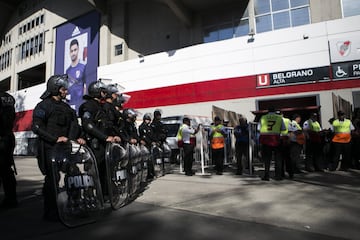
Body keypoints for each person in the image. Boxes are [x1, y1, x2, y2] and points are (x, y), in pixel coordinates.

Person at [32, 74, 86, 221]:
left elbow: (75, 125)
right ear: (55, 89)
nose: (66, 91)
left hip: (66, 149)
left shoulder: (66, 108)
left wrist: (79, 137)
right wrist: (55, 139)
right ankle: (51, 211)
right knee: (52, 179)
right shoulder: (43, 106)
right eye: (63, 89)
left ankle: (75, 205)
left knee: (74, 174)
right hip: (49, 148)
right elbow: (36, 127)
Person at [78, 80, 121, 199]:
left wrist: (113, 136)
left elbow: (107, 125)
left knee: (104, 171)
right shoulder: (88, 106)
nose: (104, 94)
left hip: (104, 145)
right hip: (94, 144)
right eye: (103, 92)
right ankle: (90, 197)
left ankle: (104, 195)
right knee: (93, 172)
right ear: (97, 92)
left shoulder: (101, 106)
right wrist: (105, 137)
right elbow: (88, 125)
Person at [0, 90, 17, 208]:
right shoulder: (9, 97)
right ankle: (11, 199)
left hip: (1, 137)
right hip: (8, 137)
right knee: (7, 169)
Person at [258, 107, 286, 181]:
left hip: (266, 139)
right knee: (278, 158)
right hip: (276, 139)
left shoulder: (263, 117)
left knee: (267, 159)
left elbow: (258, 128)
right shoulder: (279, 118)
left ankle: (266, 176)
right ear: (274, 111)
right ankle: (278, 176)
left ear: (268, 111)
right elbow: (283, 128)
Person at [65, 39, 86, 112]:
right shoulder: (67, 71)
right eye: (71, 51)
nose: (73, 53)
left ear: (78, 50)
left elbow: (85, 85)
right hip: (71, 103)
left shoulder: (83, 67)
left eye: (75, 50)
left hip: (81, 101)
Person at [139, 113, 155, 179]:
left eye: (149, 120)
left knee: (150, 160)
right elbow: (144, 136)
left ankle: (151, 173)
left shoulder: (149, 127)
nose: (148, 121)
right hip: (145, 145)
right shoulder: (142, 127)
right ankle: (147, 174)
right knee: (146, 160)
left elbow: (151, 135)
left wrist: (153, 141)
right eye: (147, 120)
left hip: (149, 145)